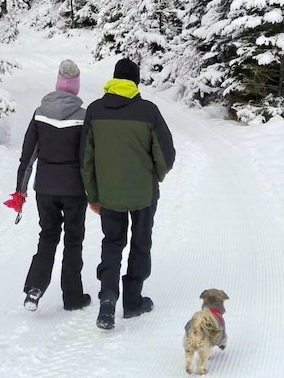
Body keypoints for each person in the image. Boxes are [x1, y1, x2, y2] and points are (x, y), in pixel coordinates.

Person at [80, 57, 175, 330]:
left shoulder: (95, 111)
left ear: (113, 79)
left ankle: (108, 299)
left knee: (112, 243)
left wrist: (93, 195)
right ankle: (133, 301)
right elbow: (166, 154)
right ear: (136, 81)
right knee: (140, 241)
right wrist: (155, 175)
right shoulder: (148, 111)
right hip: (143, 192)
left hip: (108, 194)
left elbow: (85, 157)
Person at [10, 59, 91, 312]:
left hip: (45, 189)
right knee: (73, 240)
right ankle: (73, 297)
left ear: (57, 84)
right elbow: (88, 159)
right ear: (76, 87)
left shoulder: (39, 113)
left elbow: (28, 155)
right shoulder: (83, 116)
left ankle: (34, 289)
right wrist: (96, 190)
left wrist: (20, 193)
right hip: (75, 190)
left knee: (48, 236)